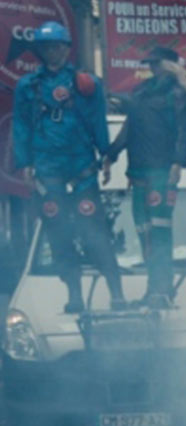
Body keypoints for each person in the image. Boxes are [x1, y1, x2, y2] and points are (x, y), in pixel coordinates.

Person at [13, 21, 126, 312]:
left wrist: (106, 153)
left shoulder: (85, 83)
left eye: (58, 46)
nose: (53, 52)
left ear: (66, 48)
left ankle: (116, 293)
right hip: (48, 171)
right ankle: (74, 294)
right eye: (47, 47)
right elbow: (22, 126)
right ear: (40, 50)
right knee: (58, 234)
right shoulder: (28, 86)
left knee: (95, 233)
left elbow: (98, 120)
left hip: (82, 169)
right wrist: (24, 163)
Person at [106, 46, 186, 308]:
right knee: (144, 233)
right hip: (138, 174)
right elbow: (129, 128)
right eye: (150, 64)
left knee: (159, 232)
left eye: (157, 64)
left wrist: (179, 162)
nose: (153, 68)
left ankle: (163, 290)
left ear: (170, 65)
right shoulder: (140, 93)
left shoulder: (180, 95)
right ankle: (153, 289)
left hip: (162, 171)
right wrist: (112, 154)